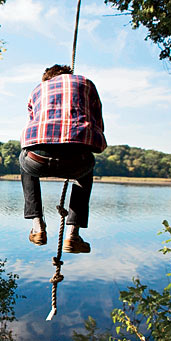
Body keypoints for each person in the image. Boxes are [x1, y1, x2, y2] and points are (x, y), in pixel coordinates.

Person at [20, 64, 107, 254]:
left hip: (38, 159)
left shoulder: (37, 89)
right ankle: (73, 235)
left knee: (24, 162)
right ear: (68, 74)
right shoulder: (85, 83)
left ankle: (37, 226)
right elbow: (98, 124)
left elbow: (33, 121)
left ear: (47, 78)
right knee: (86, 169)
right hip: (76, 162)